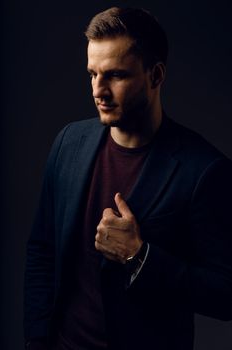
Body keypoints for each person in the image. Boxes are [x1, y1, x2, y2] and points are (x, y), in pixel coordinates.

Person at [24, 6, 232, 350]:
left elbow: (225, 294)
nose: (98, 90)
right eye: (92, 74)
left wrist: (139, 257)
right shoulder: (68, 143)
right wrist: (36, 339)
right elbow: (41, 250)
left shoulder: (205, 171)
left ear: (156, 75)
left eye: (115, 75)